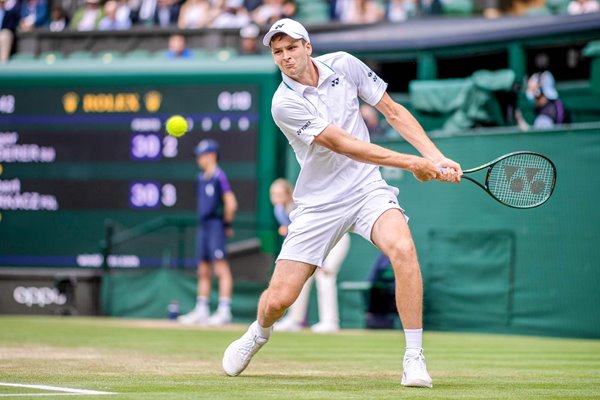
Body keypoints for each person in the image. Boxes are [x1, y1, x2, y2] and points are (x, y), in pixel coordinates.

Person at [222, 18, 462, 388]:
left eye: (291, 48)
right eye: (278, 52)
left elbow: (393, 111)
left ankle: (414, 358)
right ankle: (258, 332)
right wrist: (411, 162)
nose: (285, 57)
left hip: (366, 188)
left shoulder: (346, 65)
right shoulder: (283, 104)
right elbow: (343, 144)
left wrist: (435, 156)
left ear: (308, 47)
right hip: (319, 203)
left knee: (403, 248)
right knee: (278, 300)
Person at [269, 178, 351, 333]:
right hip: (314, 245)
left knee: (324, 276)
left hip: (336, 240)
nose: (276, 198)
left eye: (279, 194)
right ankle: (294, 320)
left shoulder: (300, 206)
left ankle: (330, 322)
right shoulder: (279, 211)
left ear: (288, 194)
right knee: (302, 279)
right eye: (273, 194)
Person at [178, 139, 238, 326]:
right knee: (203, 269)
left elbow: (231, 204)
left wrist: (226, 225)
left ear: (211, 155)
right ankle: (202, 310)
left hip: (215, 226)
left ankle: (224, 310)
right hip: (203, 226)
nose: (198, 159)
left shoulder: (220, 176)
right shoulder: (200, 178)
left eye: (201, 155)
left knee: (221, 268)